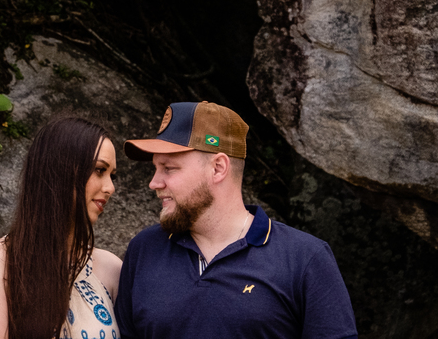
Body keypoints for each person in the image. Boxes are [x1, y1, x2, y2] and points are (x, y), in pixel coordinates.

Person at [115, 101, 358, 339]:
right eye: (155, 168)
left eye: (169, 168)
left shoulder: (305, 258)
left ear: (218, 168)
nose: (154, 183)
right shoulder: (144, 250)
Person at [0, 116, 122, 339]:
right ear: (61, 170)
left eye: (112, 176)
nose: (110, 187)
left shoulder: (111, 270)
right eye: (99, 170)